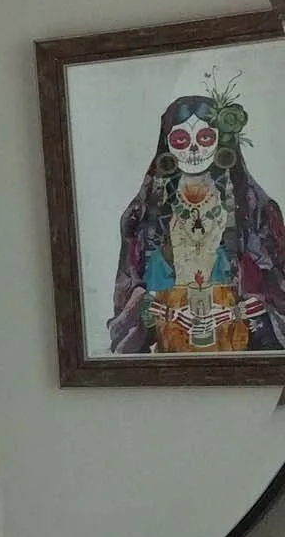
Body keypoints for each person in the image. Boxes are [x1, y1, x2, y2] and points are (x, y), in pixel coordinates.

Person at [109, 79, 285, 354]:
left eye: (204, 138)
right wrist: (168, 314)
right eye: (181, 139)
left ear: (221, 142)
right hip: (172, 346)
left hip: (237, 345)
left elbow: (275, 294)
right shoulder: (144, 214)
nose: (193, 150)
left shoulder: (255, 209)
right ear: (167, 145)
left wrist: (230, 313)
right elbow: (133, 297)